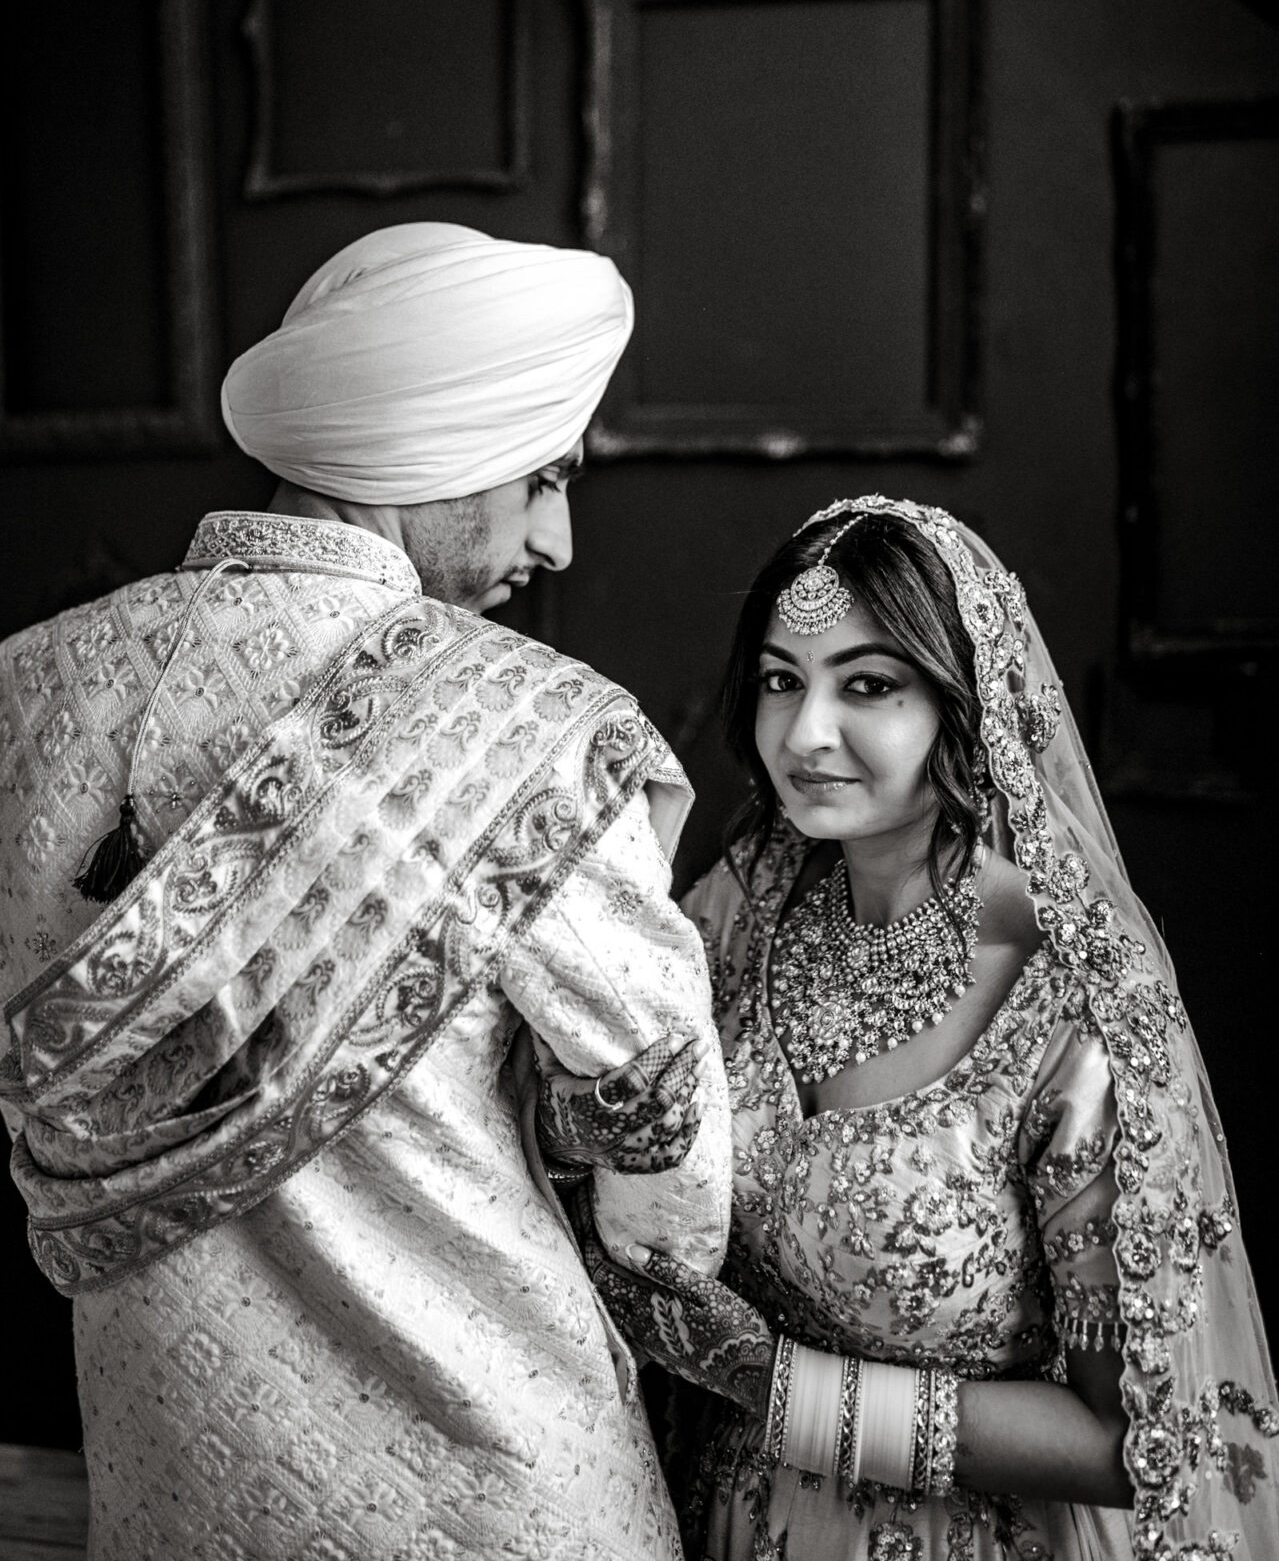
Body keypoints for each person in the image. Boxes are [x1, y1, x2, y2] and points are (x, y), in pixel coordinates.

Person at [0, 222, 732, 1561]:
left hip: (176, 1489)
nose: (556, 541)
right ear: (432, 447)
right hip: (497, 1492)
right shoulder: (536, 733)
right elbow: (663, 1159)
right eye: (543, 479)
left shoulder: (26, 691)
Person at [564, 495, 1279, 1559]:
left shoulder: (1069, 998)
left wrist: (777, 1388)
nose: (805, 734)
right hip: (727, 1520)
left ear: (963, 704)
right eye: (778, 680)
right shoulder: (741, 903)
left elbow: (1134, 1438)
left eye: (867, 685)